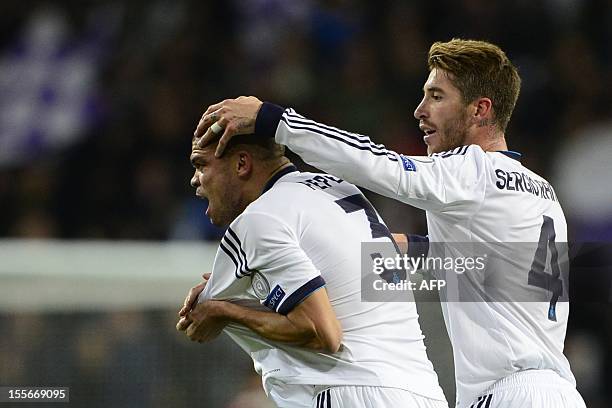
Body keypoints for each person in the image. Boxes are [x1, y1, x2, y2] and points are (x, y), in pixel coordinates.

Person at [193, 39, 587, 408]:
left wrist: (276, 121)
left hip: (509, 394)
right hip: (560, 391)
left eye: (436, 96)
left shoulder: (471, 171)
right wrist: (412, 250)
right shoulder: (542, 192)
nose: (420, 110)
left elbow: (380, 165)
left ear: (479, 110)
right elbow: (495, 269)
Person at [177, 133, 448, 408]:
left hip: (355, 392)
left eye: (201, 165)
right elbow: (346, 283)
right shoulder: (335, 188)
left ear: (242, 163)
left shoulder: (260, 217)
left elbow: (323, 333)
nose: (195, 180)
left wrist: (223, 311)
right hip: (423, 391)